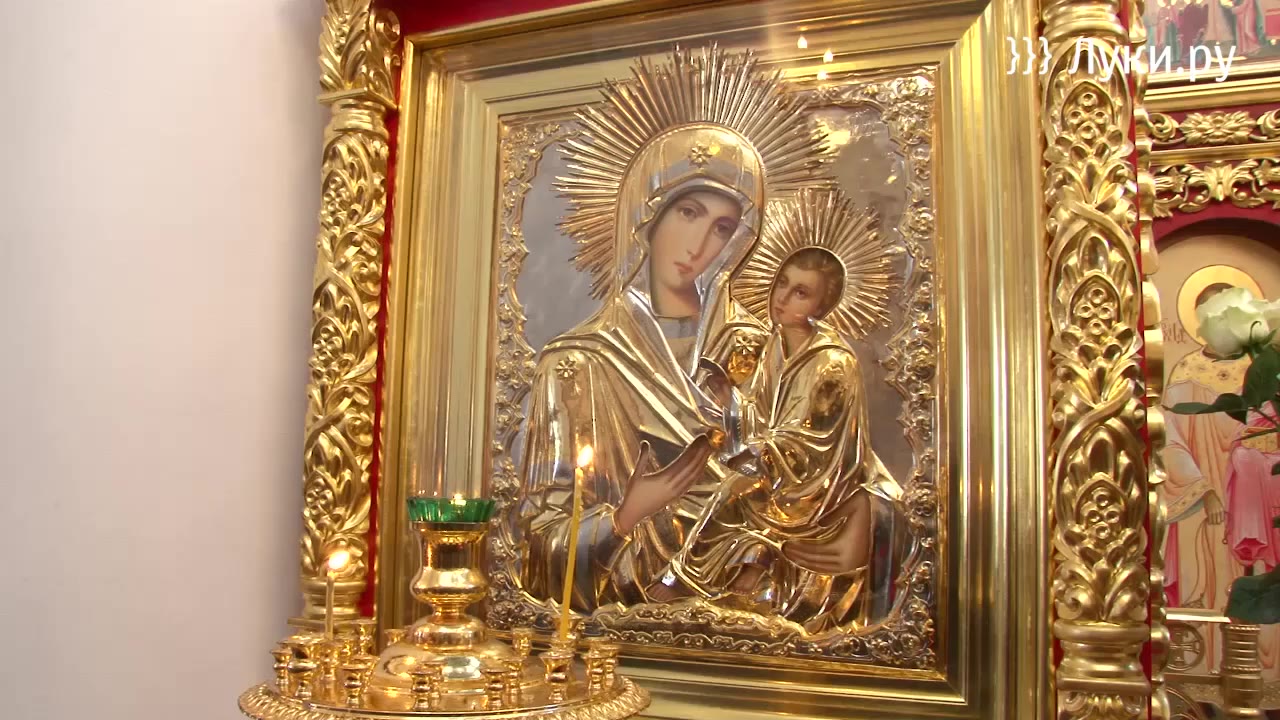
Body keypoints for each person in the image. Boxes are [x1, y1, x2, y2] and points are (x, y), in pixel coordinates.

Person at [664, 191, 904, 633]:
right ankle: (723, 590)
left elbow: (811, 443)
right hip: (773, 471)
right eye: (782, 284)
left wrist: (755, 448)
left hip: (812, 486)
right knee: (693, 487)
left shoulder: (831, 362)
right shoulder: (771, 346)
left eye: (801, 293)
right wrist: (729, 401)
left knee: (734, 490)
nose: (783, 298)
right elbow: (757, 415)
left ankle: (676, 586)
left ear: (822, 306)